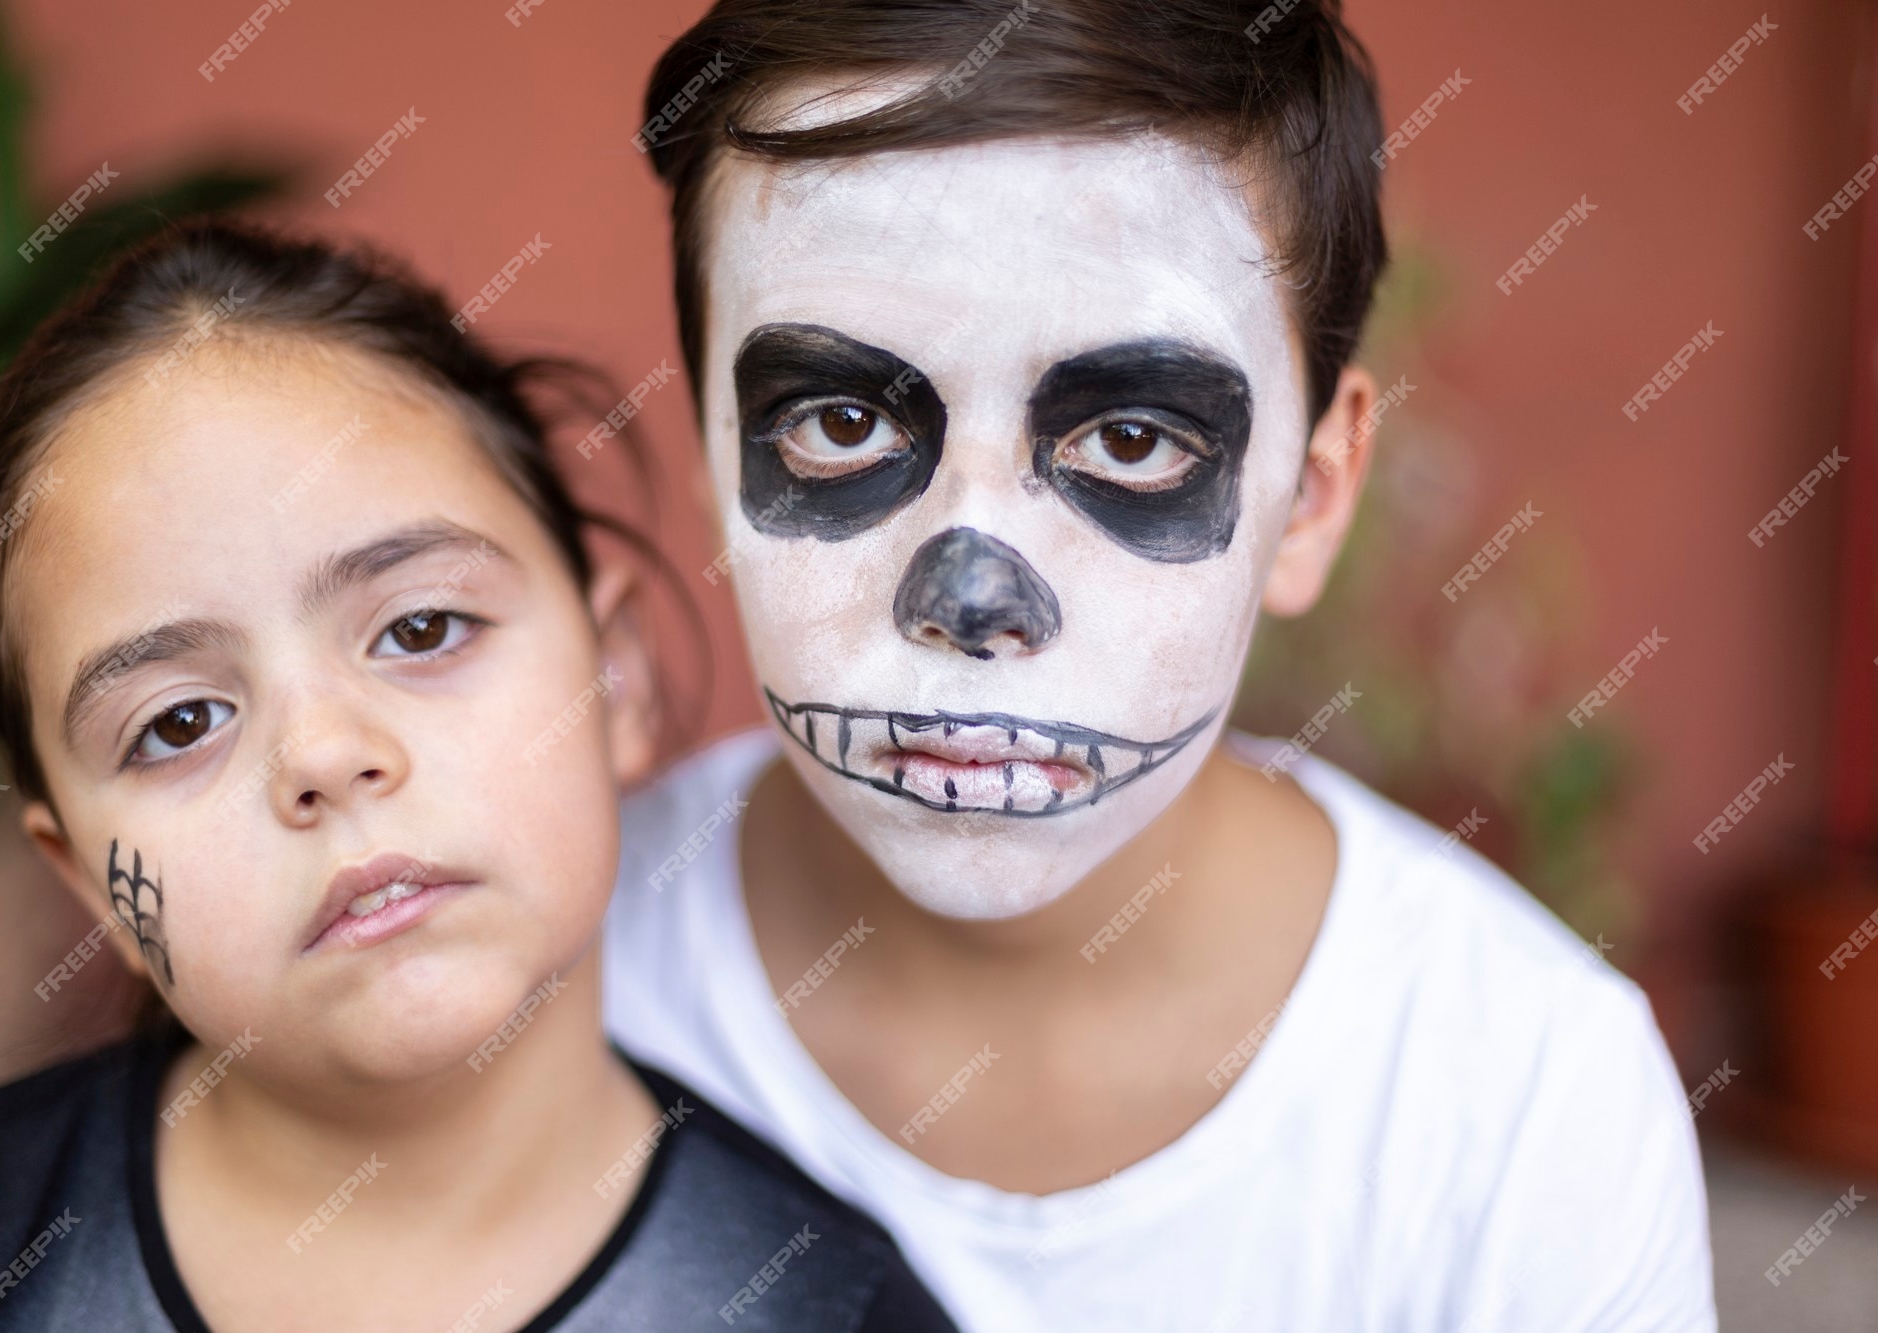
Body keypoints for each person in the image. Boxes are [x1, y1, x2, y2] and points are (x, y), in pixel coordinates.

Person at [603, 2, 1719, 1329]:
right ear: (715, 453)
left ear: (1310, 496)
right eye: (840, 421)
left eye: (1133, 440)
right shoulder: (550, 971)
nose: (972, 599)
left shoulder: (1526, 1107)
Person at [0, 220, 955, 1333]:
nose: (324, 755)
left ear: (616, 679)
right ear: (88, 879)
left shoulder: (825, 1302)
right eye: (179, 721)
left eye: (423, 626)